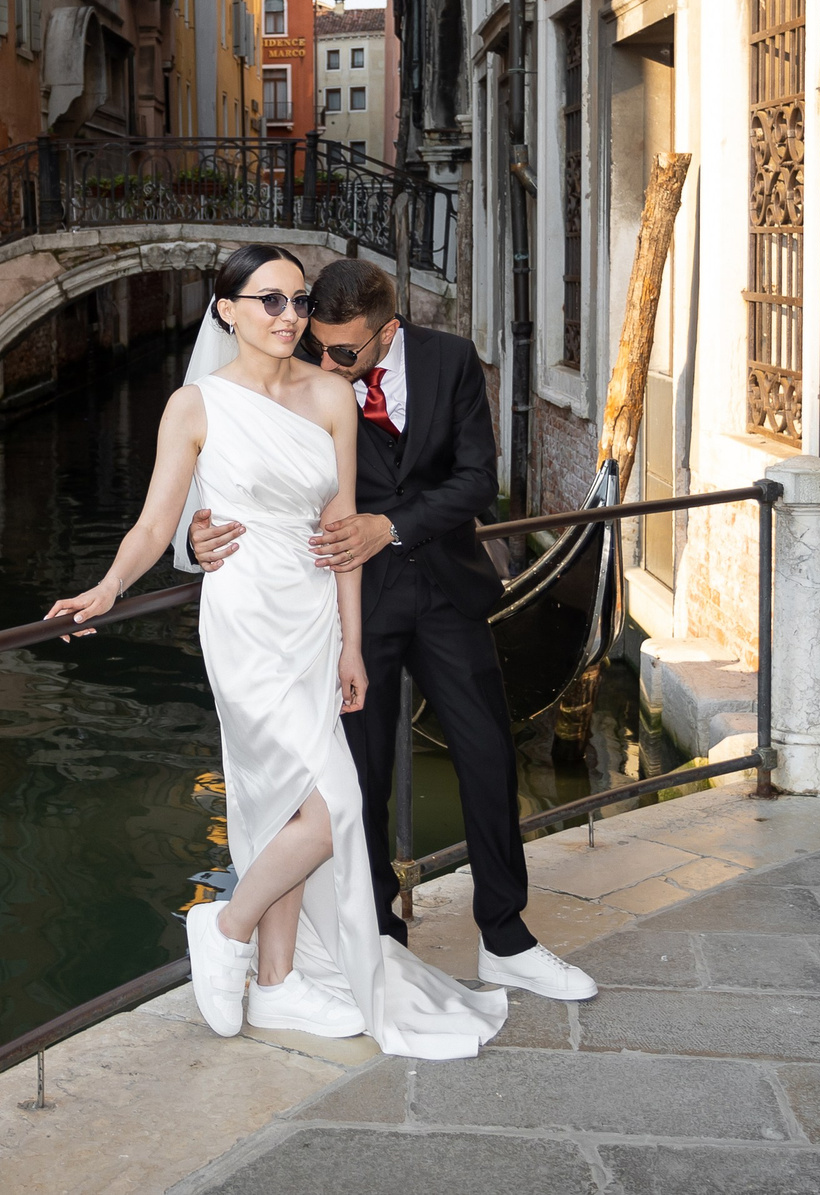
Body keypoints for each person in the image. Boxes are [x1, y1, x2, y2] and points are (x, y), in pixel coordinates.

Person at [47, 244, 506, 1058]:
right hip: (246, 621)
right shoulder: (193, 406)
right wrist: (108, 588)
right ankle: (225, 926)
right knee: (335, 804)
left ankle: (278, 980)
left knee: (296, 802)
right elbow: (158, 525)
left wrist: (353, 646)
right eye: (271, 301)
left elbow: (342, 538)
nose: (290, 316)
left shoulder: (331, 395)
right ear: (226, 309)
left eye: (298, 301)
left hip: (316, 622)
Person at [185, 258, 597, 1003]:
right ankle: (376, 936)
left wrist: (391, 525)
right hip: (346, 610)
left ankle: (506, 937)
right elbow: (238, 477)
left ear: (388, 332)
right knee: (360, 780)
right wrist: (198, 538)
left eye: (344, 351)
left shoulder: (450, 361)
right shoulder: (303, 377)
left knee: (488, 757)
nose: (324, 360)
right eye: (317, 343)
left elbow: (476, 481)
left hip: (447, 593)